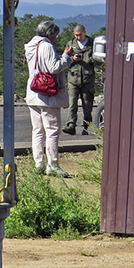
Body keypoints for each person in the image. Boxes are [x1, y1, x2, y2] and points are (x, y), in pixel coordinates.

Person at [25, 20, 72, 177]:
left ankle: (38, 163)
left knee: (37, 130)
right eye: (55, 35)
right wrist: (66, 57)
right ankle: (52, 164)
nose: (56, 38)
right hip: (47, 95)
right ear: (50, 34)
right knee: (52, 130)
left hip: (33, 93)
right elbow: (54, 68)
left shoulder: (31, 45)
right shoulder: (47, 46)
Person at [63, 25, 96, 135]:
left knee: (87, 104)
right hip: (74, 78)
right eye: (76, 35)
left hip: (87, 79)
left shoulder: (92, 44)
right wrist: (73, 59)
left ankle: (86, 126)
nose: (78, 37)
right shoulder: (71, 44)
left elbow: (98, 60)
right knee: (72, 103)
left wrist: (88, 59)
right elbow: (64, 59)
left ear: (84, 32)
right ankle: (71, 124)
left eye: (80, 35)